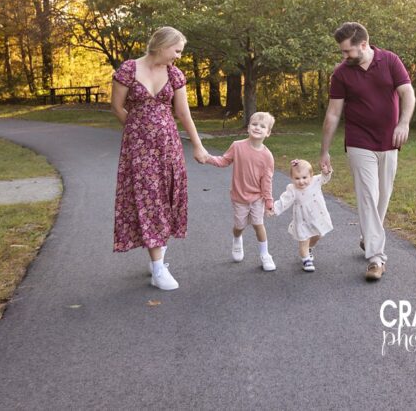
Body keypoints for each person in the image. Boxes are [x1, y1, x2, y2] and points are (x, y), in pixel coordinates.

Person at [111, 26, 209, 291]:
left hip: (169, 146)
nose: (178, 56)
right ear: (163, 45)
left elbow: (183, 114)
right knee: (148, 199)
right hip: (139, 151)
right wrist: (135, 130)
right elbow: (117, 107)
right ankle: (157, 268)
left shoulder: (174, 74)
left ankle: (158, 259)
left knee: (166, 197)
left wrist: (198, 147)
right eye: (176, 50)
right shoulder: (128, 70)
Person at [319, 22, 415, 282]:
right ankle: (376, 258)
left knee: (383, 196)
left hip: (389, 141)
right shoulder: (341, 74)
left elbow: (408, 93)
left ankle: (368, 237)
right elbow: (333, 113)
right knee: (368, 197)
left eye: (347, 51)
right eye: (341, 52)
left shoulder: (390, 61)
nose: (343, 57)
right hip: (359, 142)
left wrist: (404, 123)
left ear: (363, 44)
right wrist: (325, 150)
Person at [203, 111, 278, 271]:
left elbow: (267, 181)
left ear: (268, 133)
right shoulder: (237, 146)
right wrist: (208, 157)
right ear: (248, 127)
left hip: (257, 198)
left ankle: (265, 254)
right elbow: (224, 161)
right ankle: (237, 239)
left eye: (262, 126)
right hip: (239, 197)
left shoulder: (267, 156)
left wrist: (269, 201)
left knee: (259, 225)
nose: (257, 128)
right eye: (254, 124)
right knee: (239, 226)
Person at [268, 158, 334, 273]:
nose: (301, 181)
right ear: (292, 178)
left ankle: (309, 249)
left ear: (311, 176)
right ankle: (306, 259)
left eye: (304, 178)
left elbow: (325, 178)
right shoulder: (292, 189)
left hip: (317, 217)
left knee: (318, 235)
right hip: (302, 220)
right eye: (297, 178)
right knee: (304, 239)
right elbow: (284, 201)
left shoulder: (315, 181)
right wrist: (273, 209)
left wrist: (326, 172)